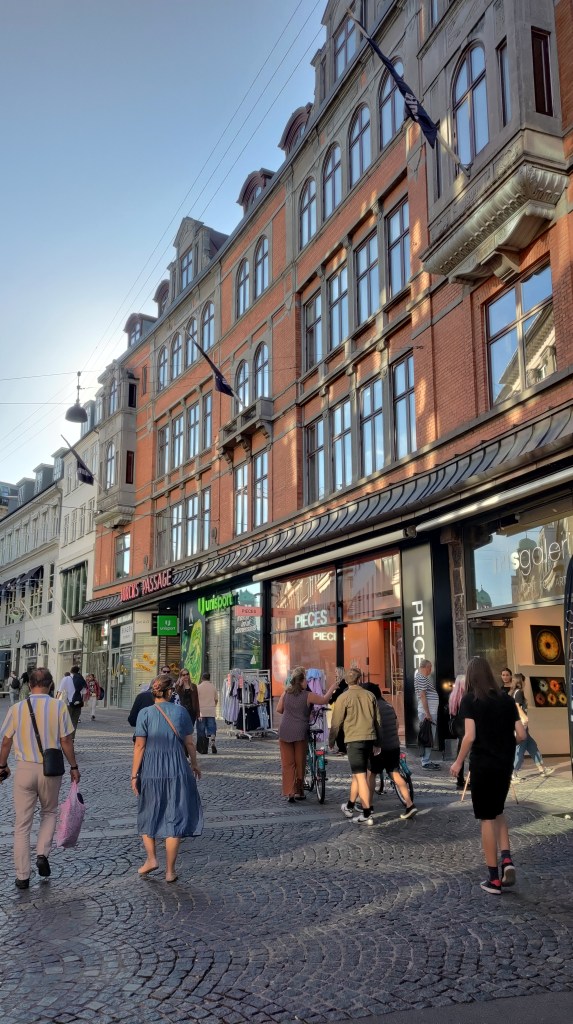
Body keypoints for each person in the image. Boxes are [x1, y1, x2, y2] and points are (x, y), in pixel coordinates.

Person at [450, 656, 526, 895]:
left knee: (486, 818)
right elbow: (522, 734)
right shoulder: (505, 698)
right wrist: (505, 745)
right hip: (504, 764)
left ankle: (493, 878)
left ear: (471, 677)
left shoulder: (470, 700)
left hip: (483, 764)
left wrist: (458, 761)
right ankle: (506, 860)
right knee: (498, 810)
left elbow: (470, 735)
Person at [0, 667, 80, 890]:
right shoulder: (59, 707)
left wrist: (2, 765)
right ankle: (43, 853)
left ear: (29, 684)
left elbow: (6, 742)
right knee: (49, 812)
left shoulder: (17, 708)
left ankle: (22, 876)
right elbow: (66, 741)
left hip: (24, 769)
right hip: (50, 770)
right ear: (50, 684)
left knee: (22, 825)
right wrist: (73, 766)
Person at [131, 674, 202, 883]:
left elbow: (139, 746)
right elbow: (190, 744)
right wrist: (195, 764)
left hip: (152, 769)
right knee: (175, 815)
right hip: (177, 768)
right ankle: (170, 871)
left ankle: (152, 859)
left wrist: (134, 774)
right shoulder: (180, 712)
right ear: (170, 692)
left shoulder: (145, 714)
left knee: (148, 812)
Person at [328, 668, 384, 825]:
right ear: (360, 679)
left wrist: (331, 741)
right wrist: (378, 742)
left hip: (354, 740)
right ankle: (350, 806)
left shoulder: (343, 697)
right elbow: (377, 721)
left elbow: (336, 722)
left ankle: (367, 813)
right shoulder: (370, 695)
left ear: (346, 681)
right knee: (357, 775)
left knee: (360, 776)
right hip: (369, 738)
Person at [276, 666, 336, 803]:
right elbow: (324, 700)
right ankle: (299, 792)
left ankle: (290, 793)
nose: (307, 683)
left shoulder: (286, 693)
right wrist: (333, 687)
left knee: (287, 763)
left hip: (284, 730)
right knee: (300, 762)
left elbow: (279, 709)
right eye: (305, 681)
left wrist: (291, 711)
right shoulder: (307, 695)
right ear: (301, 681)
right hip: (300, 732)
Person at [366, 683, 417, 819]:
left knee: (371, 775)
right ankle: (410, 804)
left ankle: (368, 806)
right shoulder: (389, 706)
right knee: (395, 774)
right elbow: (396, 724)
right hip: (394, 746)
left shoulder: (372, 707)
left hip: (379, 747)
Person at [511, 673, 552, 781]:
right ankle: (513, 773)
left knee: (533, 746)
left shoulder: (514, 692)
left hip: (522, 727)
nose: (525, 683)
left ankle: (542, 769)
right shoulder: (518, 692)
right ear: (521, 681)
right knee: (520, 750)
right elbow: (517, 707)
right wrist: (525, 717)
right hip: (521, 726)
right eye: (524, 681)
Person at [414, 659, 440, 770]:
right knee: (428, 737)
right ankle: (426, 761)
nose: (431, 670)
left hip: (429, 712)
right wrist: (428, 713)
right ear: (425, 667)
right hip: (428, 713)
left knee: (428, 736)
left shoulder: (422, 678)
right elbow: (423, 695)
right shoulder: (421, 677)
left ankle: (426, 760)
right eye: (430, 668)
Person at [448, 674, 467, 790]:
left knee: (461, 753)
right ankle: (463, 780)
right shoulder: (464, 697)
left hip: (459, 728)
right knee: (466, 753)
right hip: (465, 728)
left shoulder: (453, 696)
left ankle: (460, 780)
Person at [197, 672, 219, 754]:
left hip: (201, 711)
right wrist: (213, 706)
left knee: (201, 729)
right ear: (209, 678)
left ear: (202, 678)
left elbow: (196, 700)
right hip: (211, 710)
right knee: (211, 727)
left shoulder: (198, 687)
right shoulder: (213, 687)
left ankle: (203, 748)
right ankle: (212, 741)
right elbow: (216, 699)